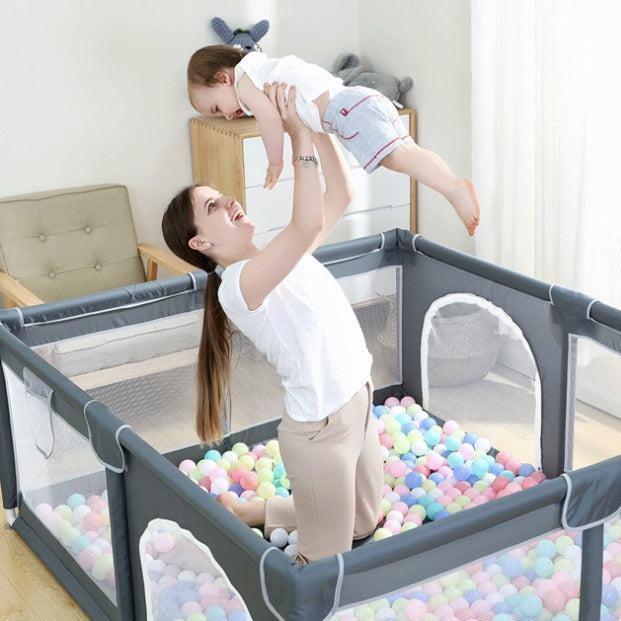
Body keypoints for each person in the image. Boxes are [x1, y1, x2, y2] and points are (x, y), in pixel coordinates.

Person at [161, 83, 383, 563]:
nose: (228, 202)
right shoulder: (238, 286)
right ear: (200, 244)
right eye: (212, 207)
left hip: (359, 400)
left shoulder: (280, 254)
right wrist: (297, 138)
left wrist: (319, 120)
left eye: (222, 195)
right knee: (320, 570)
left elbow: (341, 192)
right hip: (320, 431)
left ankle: (255, 511)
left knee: (366, 522)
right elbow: (304, 224)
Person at [187, 44, 480, 236]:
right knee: (410, 151)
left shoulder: (243, 80)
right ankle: (454, 183)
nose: (225, 117)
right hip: (360, 98)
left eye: (215, 108)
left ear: (222, 78)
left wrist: (275, 161)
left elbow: (268, 118)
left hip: (345, 111)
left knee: (397, 158)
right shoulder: (262, 66)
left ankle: (453, 189)